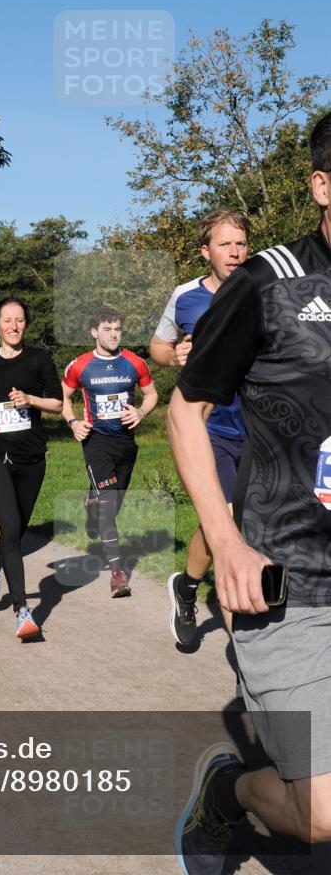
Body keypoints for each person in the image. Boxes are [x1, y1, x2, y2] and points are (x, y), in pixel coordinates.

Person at [169, 111, 331, 873]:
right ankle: (227, 792)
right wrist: (227, 543)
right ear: (322, 186)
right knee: (321, 816)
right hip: (291, 580)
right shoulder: (268, 283)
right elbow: (186, 411)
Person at [150, 210, 250, 643]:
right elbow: (158, 346)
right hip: (210, 432)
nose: (234, 252)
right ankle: (244, 654)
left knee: (248, 524)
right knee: (224, 520)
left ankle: (187, 585)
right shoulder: (185, 296)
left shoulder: (265, 288)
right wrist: (174, 356)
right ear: (206, 251)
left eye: (241, 243)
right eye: (225, 244)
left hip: (262, 432)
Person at [0, 297, 63, 640]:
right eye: (7, 320)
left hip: (31, 457)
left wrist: (30, 399)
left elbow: (57, 402)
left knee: (17, 528)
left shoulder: (39, 359)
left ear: (26, 324)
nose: (13, 326)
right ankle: (23, 610)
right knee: (9, 525)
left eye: (19, 320)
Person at [62, 307, 158, 598]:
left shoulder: (134, 363)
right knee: (108, 502)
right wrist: (73, 422)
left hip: (126, 443)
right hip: (96, 442)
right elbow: (63, 397)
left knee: (113, 504)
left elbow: (151, 394)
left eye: (117, 329)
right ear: (94, 332)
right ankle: (118, 574)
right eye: (107, 329)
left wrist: (141, 411)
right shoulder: (80, 365)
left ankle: (91, 507)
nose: (114, 334)